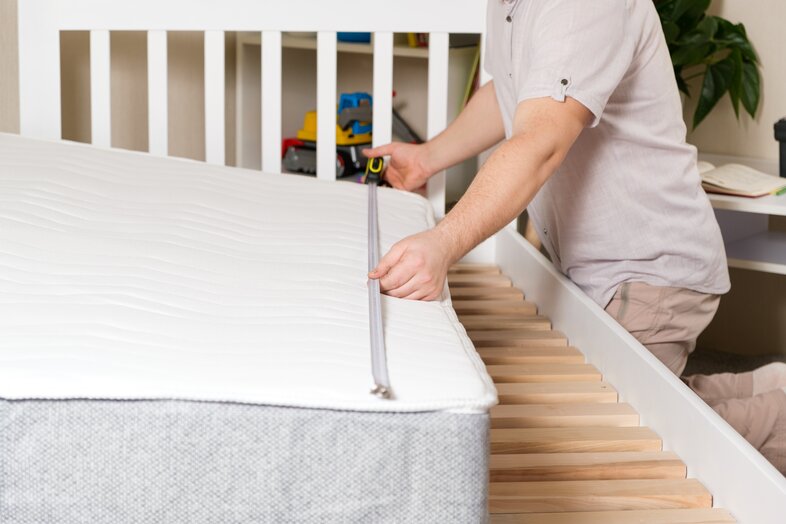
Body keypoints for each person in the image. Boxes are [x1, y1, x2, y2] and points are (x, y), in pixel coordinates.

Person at [364, 0, 786, 473]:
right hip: (598, 267)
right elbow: (509, 91)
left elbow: (542, 142)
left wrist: (443, 243)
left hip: (646, 270)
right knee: (635, 407)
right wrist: (427, 157)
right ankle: (763, 387)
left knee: (617, 452)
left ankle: (779, 417)